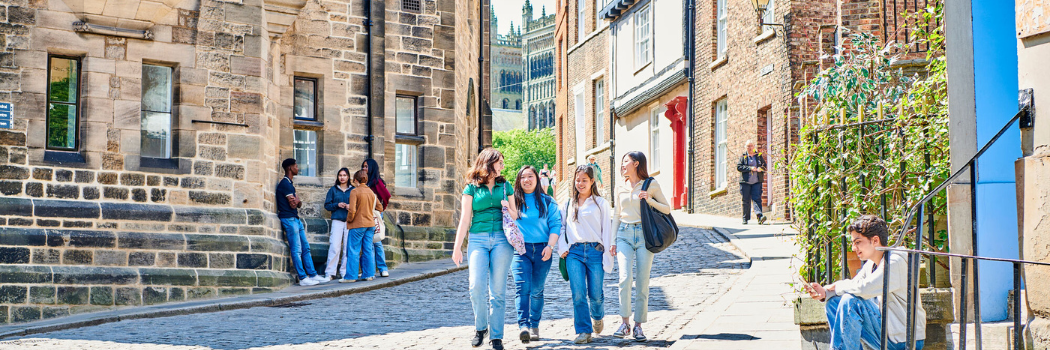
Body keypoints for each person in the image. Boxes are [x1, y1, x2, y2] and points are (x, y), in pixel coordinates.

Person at [805, 215, 926, 350]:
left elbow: (864, 289)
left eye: (857, 242)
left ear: (875, 240)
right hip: (887, 334)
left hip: (904, 341)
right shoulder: (872, 264)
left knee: (851, 301)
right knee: (834, 303)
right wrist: (826, 292)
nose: (853, 248)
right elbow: (854, 285)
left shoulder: (895, 261)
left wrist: (835, 286)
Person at [452, 148, 514, 350]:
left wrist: (507, 206)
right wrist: (457, 247)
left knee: (498, 292)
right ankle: (481, 328)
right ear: (488, 163)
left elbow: (515, 215)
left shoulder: (505, 186)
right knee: (476, 287)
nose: (502, 167)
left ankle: (496, 336)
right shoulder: (471, 188)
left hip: (502, 240)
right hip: (477, 239)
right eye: (499, 163)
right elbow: (464, 219)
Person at [611, 152, 670, 342]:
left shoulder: (651, 184)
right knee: (624, 278)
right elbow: (617, 215)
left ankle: (638, 326)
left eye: (625, 161)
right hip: (624, 235)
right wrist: (613, 240)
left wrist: (649, 199)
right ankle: (624, 323)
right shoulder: (619, 185)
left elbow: (667, 209)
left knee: (642, 282)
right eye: (622, 162)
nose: (622, 165)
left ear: (636, 164)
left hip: (645, 235)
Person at [504, 166, 562, 344]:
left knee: (537, 290)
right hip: (520, 251)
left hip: (543, 249)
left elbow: (555, 225)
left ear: (537, 179)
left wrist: (551, 246)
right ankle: (524, 326)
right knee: (522, 288)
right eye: (523, 177)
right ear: (518, 180)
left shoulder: (547, 201)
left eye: (530, 176)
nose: (526, 180)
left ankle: (535, 324)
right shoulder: (513, 200)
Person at [557, 165, 614, 344]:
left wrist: (608, 253)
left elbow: (607, 230)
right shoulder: (567, 204)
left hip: (595, 251)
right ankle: (583, 330)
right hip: (574, 253)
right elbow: (561, 227)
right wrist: (562, 246)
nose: (580, 183)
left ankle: (597, 316)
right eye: (577, 180)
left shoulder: (601, 203)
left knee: (596, 294)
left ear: (592, 181)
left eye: (584, 180)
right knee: (578, 293)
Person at [276, 158, 323, 286]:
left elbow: (298, 203)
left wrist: (297, 201)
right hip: (289, 219)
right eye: (296, 166)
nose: (298, 168)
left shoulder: (290, 184)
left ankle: (312, 275)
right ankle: (302, 278)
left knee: (306, 248)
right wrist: (297, 201)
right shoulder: (285, 184)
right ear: (290, 168)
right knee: (296, 250)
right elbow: (293, 204)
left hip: (295, 219)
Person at [339, 170, 384, 283]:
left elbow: (352, 210)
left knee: (353, 250)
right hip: (370, 225)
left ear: (355, 180)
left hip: (358, 224)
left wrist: (349, 220)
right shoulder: (371, 193)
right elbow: (380, 208)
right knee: (368, 250)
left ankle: (351, 276)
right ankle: (369, 275)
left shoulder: (355, 192)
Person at [322, 167, 354, 281]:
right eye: (340, 175)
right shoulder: (333, 190)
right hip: (337, 220)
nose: (342, 177)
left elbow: (358, 206)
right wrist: (337, 205)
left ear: (348, 177)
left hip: (350, 221)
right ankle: (330, 272)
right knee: (334, 246)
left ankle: (344, 272)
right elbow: (327, 205)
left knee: (347, 247)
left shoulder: (353, 190)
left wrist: (350, 206)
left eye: (344, 175)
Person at [363, 159, 391, 277]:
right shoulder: (364, 181)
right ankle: (370, 270)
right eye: (363, 166)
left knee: (377, 241)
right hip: (365, 214)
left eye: (366, 166)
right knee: (368, 243)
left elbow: (386, 196)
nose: (364, 169)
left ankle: (382, 267)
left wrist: (381, 210)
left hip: (375, 214)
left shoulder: (377, 182)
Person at [736, 140, 767, 225]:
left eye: (751, 146)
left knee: (757, 198)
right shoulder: (743, 156)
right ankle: (745, 218)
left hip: (756, 181)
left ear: (754, 147)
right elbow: (739, 167)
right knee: (746, 200)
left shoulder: (758, 156)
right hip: (745, 182)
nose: (750, 148)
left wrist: (761, 168)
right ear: (745, 147)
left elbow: (764, 166)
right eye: (748, 146)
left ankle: (760, 216)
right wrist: (749, 168)